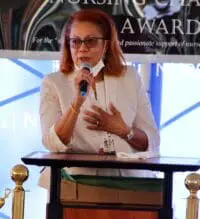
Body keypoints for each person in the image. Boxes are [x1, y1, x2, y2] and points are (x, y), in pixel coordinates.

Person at [39, 8, 160, 188]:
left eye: (91, 41)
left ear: (106, 45)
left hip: (128, 183)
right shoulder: (53, 83)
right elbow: (52, 143)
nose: (82, 48)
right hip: (74, 183)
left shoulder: (130, 77)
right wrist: (76, 103)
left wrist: (123, 130)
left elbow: (151, 141)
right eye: (75, 42)